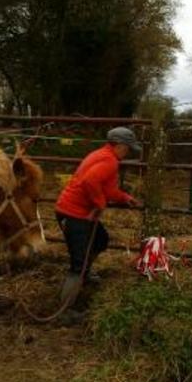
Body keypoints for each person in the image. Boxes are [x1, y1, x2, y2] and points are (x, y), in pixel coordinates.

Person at [55, 127, 143, 305]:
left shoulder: (102, 155)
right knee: (77, 265)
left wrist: (124, 197)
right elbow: (90, 181)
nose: (127, 152)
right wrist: (100, 203)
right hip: (74, 215)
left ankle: (84, 273)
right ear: (119, 145)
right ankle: (66, 309)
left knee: (100, 240)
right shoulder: (109, 160)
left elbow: (107, 188)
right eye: (127, 148)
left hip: (76, 213)